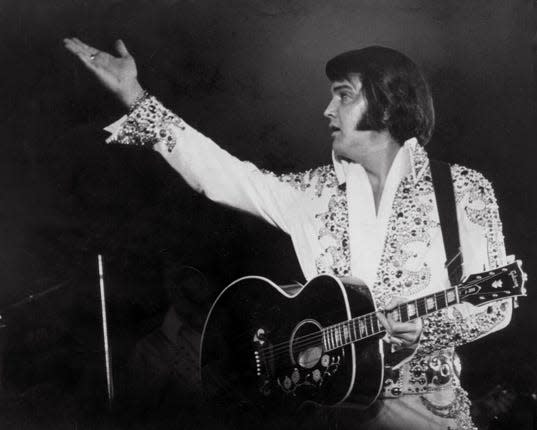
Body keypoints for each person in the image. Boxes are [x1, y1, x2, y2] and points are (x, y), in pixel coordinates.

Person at [63, 38, 513, 429]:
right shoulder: (311, 192)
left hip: (426, 410)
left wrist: (425, 329)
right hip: (324, 411)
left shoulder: (463, 188)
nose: (327, 109)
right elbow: (220, 175)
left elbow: (495, 304)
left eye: (343, 95)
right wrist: (135, 96)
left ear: (388, 101)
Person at [121, 266, 216, 429]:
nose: (201, 304)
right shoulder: (147, 350)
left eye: (203, 298)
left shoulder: (218, 330)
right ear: (175, 294)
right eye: (191, 296)